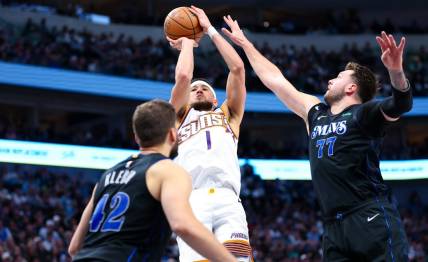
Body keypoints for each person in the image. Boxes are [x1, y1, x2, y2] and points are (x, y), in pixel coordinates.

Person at [222, 16, 412, 261]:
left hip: (369, 215)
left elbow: (401, 103)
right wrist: (245, 44)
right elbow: (277, 81)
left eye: (339, 77)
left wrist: (396, 71)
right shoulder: (315, 113)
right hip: (333, 226)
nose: (331, 80)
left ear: (351, 88)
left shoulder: (365, 114)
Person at [68, 100, 236, 262]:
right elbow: (182, 226)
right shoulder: (167, 169)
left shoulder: (106, 176)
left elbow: (74, 247)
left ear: (136, 137)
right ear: (172, 134)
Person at [166, 6, 252, 261]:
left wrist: (210, 30)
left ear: (216, 99)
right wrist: (188, 44)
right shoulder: (177, 117)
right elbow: (183, 76)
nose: (199, 90)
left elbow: (237, 69)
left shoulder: (228, 115)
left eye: (205, 88)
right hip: (193, 200)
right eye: (195, 89)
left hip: (228, 199)